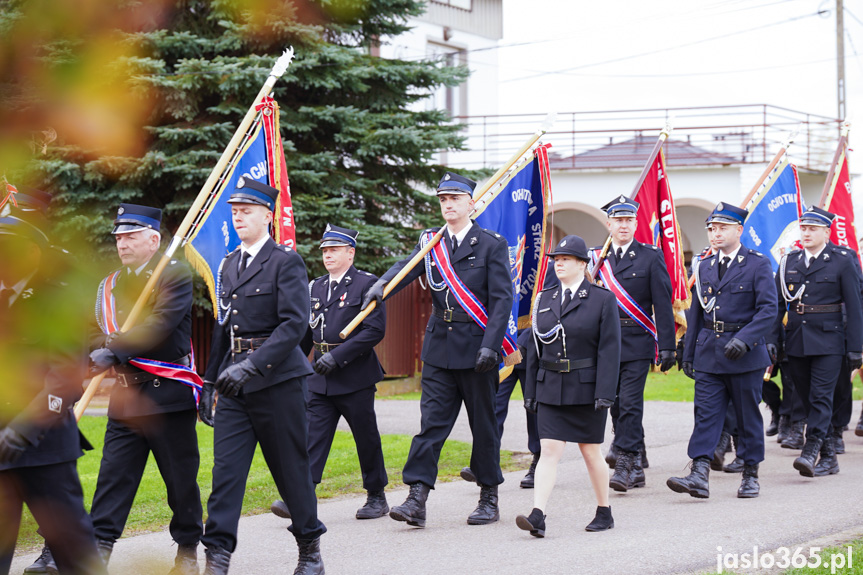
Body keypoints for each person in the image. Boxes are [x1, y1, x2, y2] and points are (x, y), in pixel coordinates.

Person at [32, 203, 206, 575]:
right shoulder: (110, 284)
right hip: (126, 399)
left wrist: (113, 348)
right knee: (113, 479)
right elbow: (94, 328)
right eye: (118, 237)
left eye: (130, 236)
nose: (122, 243)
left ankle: (188, 550)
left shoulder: (172, 274)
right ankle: (99, 553)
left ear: (153, 239)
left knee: (180, 482)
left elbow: (160, 324)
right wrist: (102, 347)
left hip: (166, 398)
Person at [361, 171, 513, 527]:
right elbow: (408, 268)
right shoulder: (432, 243)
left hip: (478, 351)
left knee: (485, 426)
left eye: (455, 199)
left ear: (471, 203)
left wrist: (492, 346)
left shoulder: (491, 243)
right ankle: (417, 497)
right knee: (431, 426)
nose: (448, 205)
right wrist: (382, 285)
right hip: (439, 350)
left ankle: (489, 496)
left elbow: (503, 299)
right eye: (443, 199)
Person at [201, 177, 326, 575]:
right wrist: (207, 383)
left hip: (277, 382)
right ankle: (217, 556)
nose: (238, 217)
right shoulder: (229, 264)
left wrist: (253, 365)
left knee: (291, 469)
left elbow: (293, 325)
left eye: (247, 211)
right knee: (226, 473)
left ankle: (310, 550)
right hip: (234, 385)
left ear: (267, 216)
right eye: (234, 212)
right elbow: (224, 328)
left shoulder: (285, 261)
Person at [0, 193, 106, 575]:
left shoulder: (55, 302)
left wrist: (23, 430)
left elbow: (64, 378)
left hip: (44, 449)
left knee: (76, 555)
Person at [270, 224, 389, 521]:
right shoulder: (316, 287)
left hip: (355, 376)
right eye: (324, 250)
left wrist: (337, 358)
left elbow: (374, 331)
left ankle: (376, 495)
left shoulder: (366, 284)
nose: (327, 255)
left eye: (334, 249)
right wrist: (291, 363)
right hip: (319, 379)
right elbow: (307, 333)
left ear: (351, 252)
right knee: (312, 436)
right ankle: (301, 496)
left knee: (366, 437)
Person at [669, 202, 776, 499]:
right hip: (709, 353)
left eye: (722, 228)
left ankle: (751, 473)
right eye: (712, 228)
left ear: (739, 230)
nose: (715, 234)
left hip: (745, 355)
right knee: (705, 414)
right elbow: (698, 315)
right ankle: (699, 473)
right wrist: (687, 353)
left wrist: (746, 339)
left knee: (746, 416)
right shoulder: (703, 265)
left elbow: (768, 310)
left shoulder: (757, 263)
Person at [516, 235, 620, 537]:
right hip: (550, 386)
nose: (558, 263)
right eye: (555, 259)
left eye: (565, 259)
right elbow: (535, 349)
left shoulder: (602, 299)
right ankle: (538, 514)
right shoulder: (543, 299)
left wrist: (605, 393)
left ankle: (604, 510)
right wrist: (531, 393)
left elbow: (609, 350)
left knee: (590, 451)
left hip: (586, 388)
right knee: (548, 449)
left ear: (582, 264)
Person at [589, 196, 676, 492]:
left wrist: (667, 345)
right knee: (613, 403)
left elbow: (662, 304)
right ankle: (637, 459)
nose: (623, 225)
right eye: (618, 220)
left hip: (637, 342)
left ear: (636, 224)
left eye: (629, 220)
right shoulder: (597, 260)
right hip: (605, 345)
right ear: (609, 224)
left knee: (629, 402)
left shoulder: (651, 256)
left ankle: (626, 462)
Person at [774, 206, 863, 477]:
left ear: (826, 231)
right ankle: (829, 457)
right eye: (804, 228)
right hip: (797, 340)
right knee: (806, 397)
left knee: (821, 396)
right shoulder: (789, 261)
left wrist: (856, 347)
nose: (807, 232)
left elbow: (855, 306)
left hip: (830, 339)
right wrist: (773, 340)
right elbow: (779, 306)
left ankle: (811, 449)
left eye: (813, 228)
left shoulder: (842, 259)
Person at [459, 328, 542, 489]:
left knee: (534, 411)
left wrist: (521, 342)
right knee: (493, 408)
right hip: (503, 353)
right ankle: (484, 464)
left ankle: (539, 461)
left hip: (531, 352)